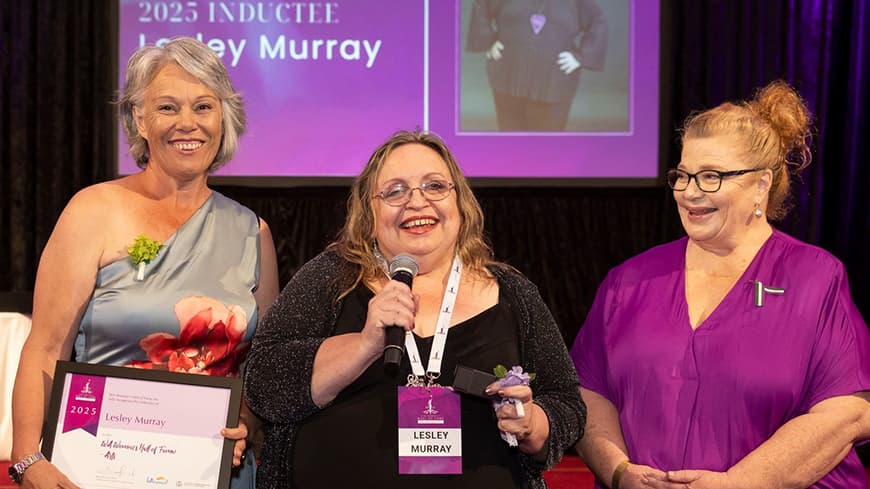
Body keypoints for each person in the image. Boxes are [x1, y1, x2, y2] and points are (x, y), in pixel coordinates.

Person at [244, 130, 585, 488]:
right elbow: (265, 383)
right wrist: (362, 346)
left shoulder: (512, 292)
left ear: (460, 202)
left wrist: (532, 423)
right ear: (369, 213)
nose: (417, 202)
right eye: (395, 191)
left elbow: (567, 405)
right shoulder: (330, 277)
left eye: (434, 186)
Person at [571, 80, 870, 489]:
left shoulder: (815, 278)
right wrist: (619, 472)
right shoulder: (630, 281)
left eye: (711, 176)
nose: (690, 193)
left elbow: (848, 411)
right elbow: (587, 392)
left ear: (761, 185)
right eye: (683, 175)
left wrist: (740, 483)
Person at [10, 37, 279, 489]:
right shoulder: (92, 210)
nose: (187, 124)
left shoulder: (253, 232)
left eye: (203, 107)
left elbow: (261, 366)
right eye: (168, 107)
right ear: (139, 118)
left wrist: (247, 424)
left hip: (213, 473)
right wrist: (27, 460)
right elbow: (45, 347)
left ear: (223, 117)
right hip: (98, 465)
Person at [466, 0, 608, 131]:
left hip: (554, 82)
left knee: (547, 144)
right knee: (511, 141)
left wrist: (581, 57)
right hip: (509, 76)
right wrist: (488, 41)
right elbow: (482, 4)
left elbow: (598, 20)